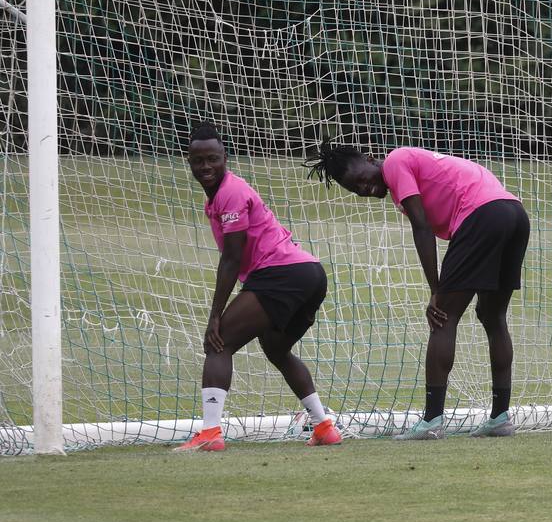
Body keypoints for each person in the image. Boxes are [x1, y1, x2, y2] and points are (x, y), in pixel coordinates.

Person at [306, 142, 529, 438]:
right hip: (514, 214)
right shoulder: (415, 164)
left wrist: (436, 290)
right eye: (356, 189)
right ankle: (500, 418)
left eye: (361, 178)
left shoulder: (396, 161)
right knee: (492, 316)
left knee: (442, 317)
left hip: (483, 215)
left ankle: (431, 422)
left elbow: (421, 227)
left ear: (371, 159)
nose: (365, 188)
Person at [175, 124, 341, 451]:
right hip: (308, 274)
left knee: (218, 343)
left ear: (226, 157)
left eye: (213, 159)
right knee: (276, 349)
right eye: (198, 160)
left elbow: (232, 259)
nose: (205, 167)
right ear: (189, 162)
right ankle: (323, 426)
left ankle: (210, 434)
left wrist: (215, 316)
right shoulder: (222, 193)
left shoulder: (231, 193)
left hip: (284, 274)